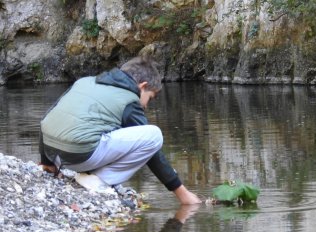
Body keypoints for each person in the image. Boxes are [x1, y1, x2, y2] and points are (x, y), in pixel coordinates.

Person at [38, 56, 201, 205]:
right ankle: (98, 180)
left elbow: (49, 117)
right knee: (154, 135)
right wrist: (182, 193)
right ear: (142, 86)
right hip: (79, 155)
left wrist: (47, 162)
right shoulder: (130, 99)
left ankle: (82, 173)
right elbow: (154, 154)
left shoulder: (84, 82)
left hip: (54, 155)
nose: (146, 106)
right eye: (150, 98)